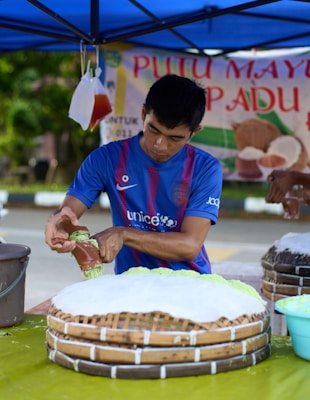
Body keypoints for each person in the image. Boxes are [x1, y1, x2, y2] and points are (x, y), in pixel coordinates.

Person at [45, 74, 223, 274]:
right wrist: (60, 223)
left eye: (174, 138)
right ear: (143, 113)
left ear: (194, 131)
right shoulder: (106, 159)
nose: (159, 144)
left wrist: (123, 234)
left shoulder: (206, 169)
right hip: (129, 285)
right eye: (153, 129)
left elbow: (190, 245)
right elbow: (69, 213)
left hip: (190, 284)